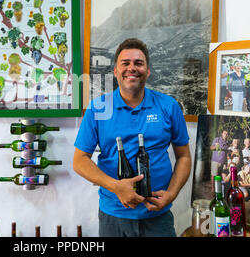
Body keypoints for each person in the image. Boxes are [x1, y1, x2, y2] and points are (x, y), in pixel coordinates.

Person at [73, 38, 191, 237]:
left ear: (148, 70)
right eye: (125, 63)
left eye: (138, 63)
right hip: (114, 217)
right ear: (115, 71)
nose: (132, 68)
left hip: (158, 216)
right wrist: (116, 187)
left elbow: (184, 157)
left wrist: (171, 194)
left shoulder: (169, 106)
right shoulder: (98, 108)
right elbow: (79, 160)